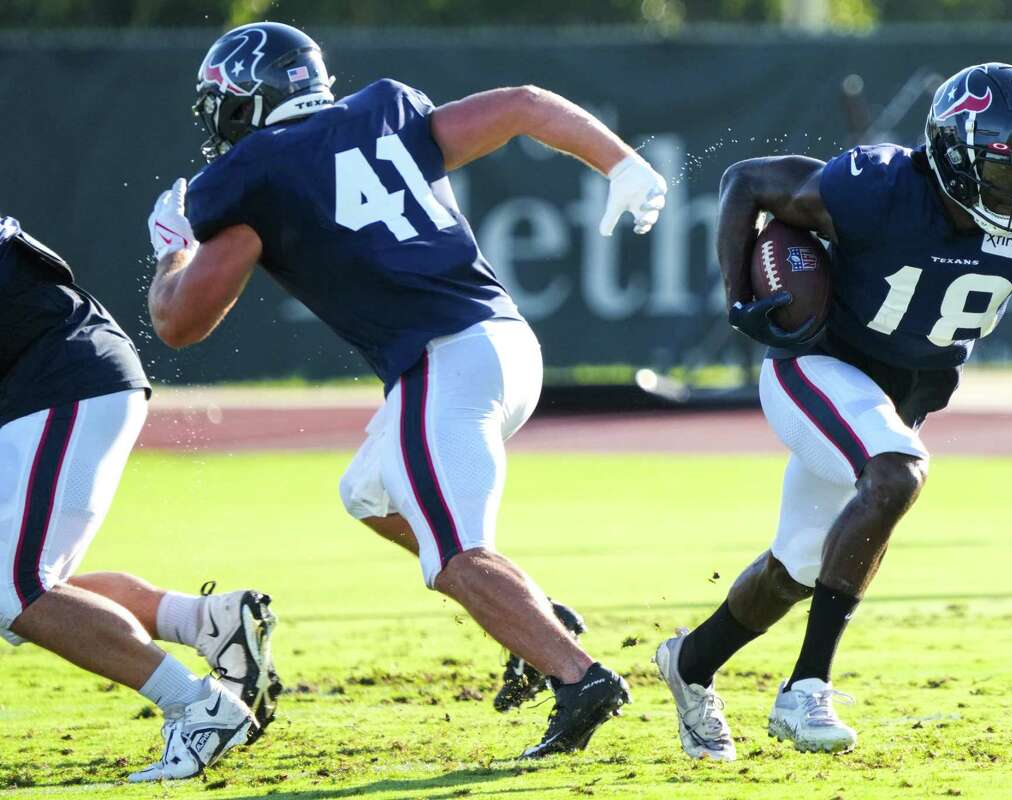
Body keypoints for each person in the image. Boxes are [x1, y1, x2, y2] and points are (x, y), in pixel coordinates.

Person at [145, 21, 667, 758]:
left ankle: (579, 677)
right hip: (507, 344)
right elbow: (521, 102)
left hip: (445, 361)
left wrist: (172, 251)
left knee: (454, 556)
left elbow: (177, 325)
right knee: (370, 493)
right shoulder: (383, 106)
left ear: (245, 100)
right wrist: (621, 162)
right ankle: (537, 616)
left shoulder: (249, 171)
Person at [654, 63, 1012, 760]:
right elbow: (747, 182)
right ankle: (805, 689)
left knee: (801, 564)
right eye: (1005, 168)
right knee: (898, 472)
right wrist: (735, 303)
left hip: (897, 398)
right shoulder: (879, 186)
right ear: (956, 157)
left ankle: (689, 664)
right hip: (817, 366)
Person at [0, 216, 280, 782]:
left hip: (63, 383)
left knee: (16, 585)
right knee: (21, 589)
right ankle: (205, 621)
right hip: (52, 385)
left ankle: (197, 704)